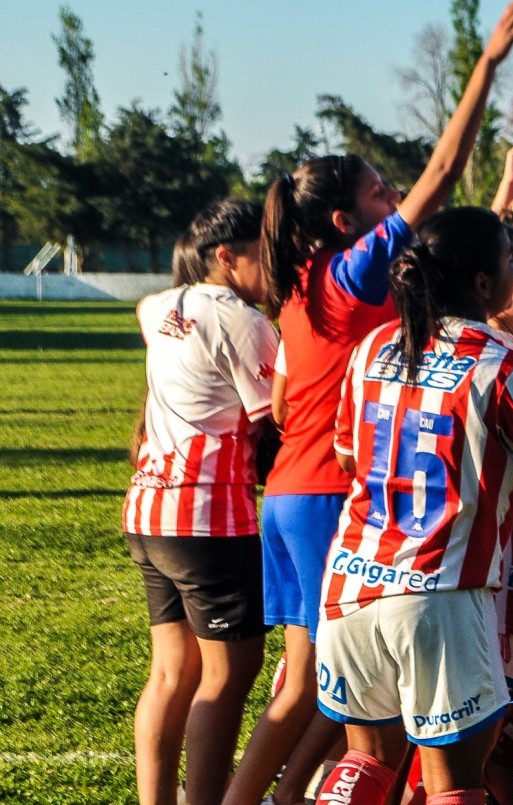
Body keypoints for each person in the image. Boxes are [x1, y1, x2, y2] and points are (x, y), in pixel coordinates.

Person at [224, 4, 513, 803]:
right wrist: (486, 68)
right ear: (344, 222)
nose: (396, 197)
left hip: (294, 493)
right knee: (345, 702)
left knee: (330, 700)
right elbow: (438, 176)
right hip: (346, 495)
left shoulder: (300, 288)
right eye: (377, 192)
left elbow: (293, 394)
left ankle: (275, 795)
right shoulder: (353, 275)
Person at [312, 206, 513, 805]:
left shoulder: (374, 345)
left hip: (350, 584)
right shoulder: (502, 362)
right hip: (441, 600)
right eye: (512, 261)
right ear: (483, 283)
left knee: (366, 762)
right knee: (455, 783)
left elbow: (349, 457)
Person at [124, 199, 277, 805]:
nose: (276, 265)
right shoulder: (242, 319)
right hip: (209, 517)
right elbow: (277, 421)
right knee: (228, 676)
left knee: (170, 673)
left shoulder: (154, 305)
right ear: (226, 256)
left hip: (149, 510)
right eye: (264, 254)